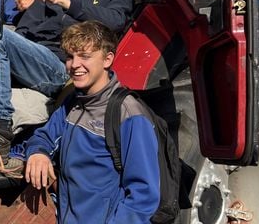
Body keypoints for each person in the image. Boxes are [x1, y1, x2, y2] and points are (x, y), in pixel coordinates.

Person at [0, 0, 133, 161]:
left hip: (61, 66)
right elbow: (28, 27)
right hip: (34, 58)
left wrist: (64, 2)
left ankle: (0, 129)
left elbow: (114, 22)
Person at [15, 21, 160, 223]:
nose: (74, 65)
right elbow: (44, 136)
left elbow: (143, 196)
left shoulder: (129, 114)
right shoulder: (72, 102)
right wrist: (38, 153)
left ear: (107, 59)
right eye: (70, 57)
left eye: (85, 56)